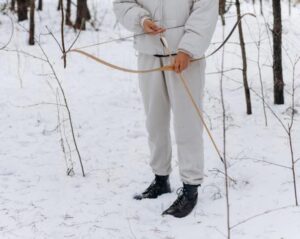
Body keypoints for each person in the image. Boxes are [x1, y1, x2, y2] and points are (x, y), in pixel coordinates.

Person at [113, 0, 218, 218]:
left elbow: (205, 9)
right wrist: (142, 20)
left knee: (187, 124)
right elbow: (122, 3)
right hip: (149, 54)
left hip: (185, 59)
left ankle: (190, 188)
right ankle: (161, 179)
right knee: (155, 121)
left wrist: (187, 49)